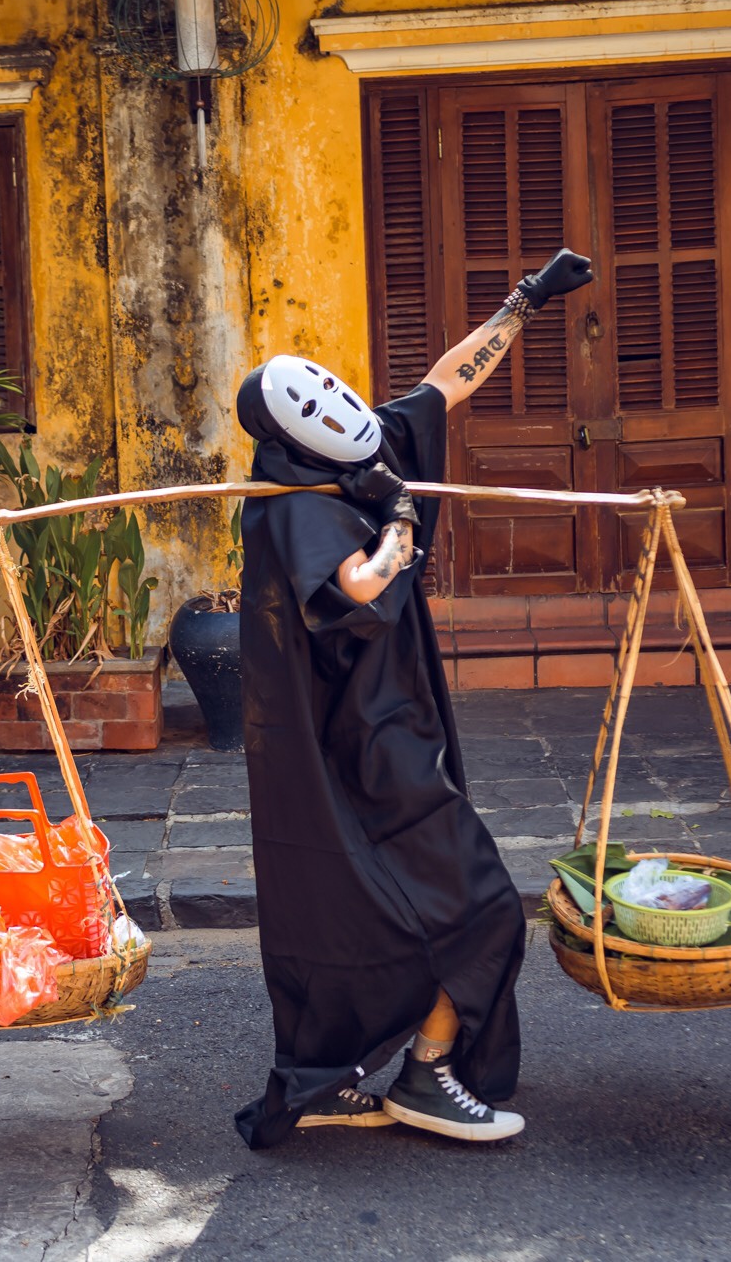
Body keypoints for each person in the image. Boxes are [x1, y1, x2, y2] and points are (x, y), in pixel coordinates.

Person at [232, 249, 596, 1148]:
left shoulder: (360, 460)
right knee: (483, 907)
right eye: (310, 402)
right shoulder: (290, 507)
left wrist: (525, 301)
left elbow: (446, 381)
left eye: (325, 383)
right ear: (292, 437)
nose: (332, 399)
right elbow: (357, 583)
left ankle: (331, 1076)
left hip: (397, 732)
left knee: (409, 906)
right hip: (365, 754)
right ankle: (428, 1073)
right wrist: (398, 518)